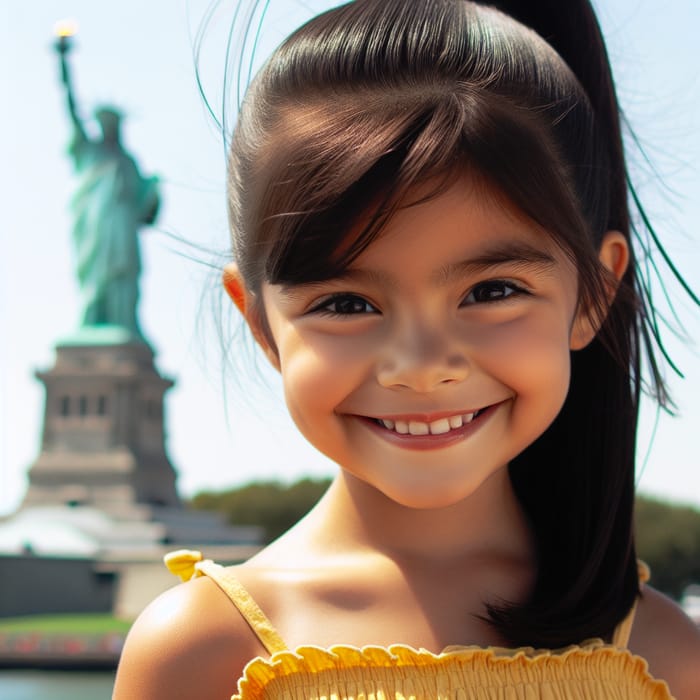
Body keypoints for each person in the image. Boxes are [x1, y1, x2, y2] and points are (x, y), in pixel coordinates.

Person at [112, 1, 700, 698]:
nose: (421, 367)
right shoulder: (199, 651)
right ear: (261, 321)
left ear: (595, 294)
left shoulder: (666, 657)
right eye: (347, 304)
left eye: (492, 291)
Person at [56, 35, 160, 338]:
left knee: (125, 274)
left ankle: (125, 321)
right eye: (104, 122)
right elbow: (70, 108)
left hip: (122, 228)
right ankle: (92, 319)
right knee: (97, 275)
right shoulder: (89, 150)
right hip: (95, 225)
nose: (108, 128)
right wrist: (63, 63)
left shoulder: (128, 161)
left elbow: (146, 214)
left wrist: (153, 193)